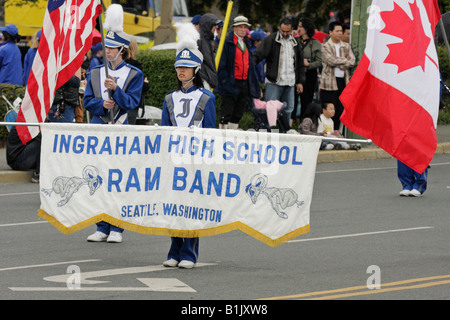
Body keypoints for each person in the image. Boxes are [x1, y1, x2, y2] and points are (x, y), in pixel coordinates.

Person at [84, 14, 144, 243]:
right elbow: (88, 101)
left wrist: (116, 91)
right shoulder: (96, 72)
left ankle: (117, 228)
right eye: (106, 48)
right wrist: (102, 104)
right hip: (99, 128)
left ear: (122, 50)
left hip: (121, 130)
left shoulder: (134, 74)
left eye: (112, 48)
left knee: (117, 180)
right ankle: (101, 226)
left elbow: (132, 103)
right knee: (98, 178)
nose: (107, 51)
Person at [161, 23, 216, 269]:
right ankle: (174, 250)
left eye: (185, 67)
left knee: (191, 207)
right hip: (174, 158)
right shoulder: (169, 98)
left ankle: (189, 253)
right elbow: (164, 130)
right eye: (178, 67)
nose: (180, 71)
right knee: (173, 205)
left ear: (195, 70)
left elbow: (212, 132)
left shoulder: (207, 98)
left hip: (196, 159)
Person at [253, 17, 306, 132]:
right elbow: (256, 55)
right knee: (270, 110)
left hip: (290, 82)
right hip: (274, 82)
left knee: (288, 110)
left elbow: (300, 64)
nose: (285, 33)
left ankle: (284, 134)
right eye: (282, 31)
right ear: (279, 28)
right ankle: (266, 134)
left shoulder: (295, 43)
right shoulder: (271, 39)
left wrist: (300, 81)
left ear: (292, 29)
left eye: (287, 31)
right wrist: (251, 70)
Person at [215, 15, 261, 130]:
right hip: (231, 82)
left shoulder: (247, 43)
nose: (243, 29)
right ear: (234, 28)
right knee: (227, 111)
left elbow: (251, 68)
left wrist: (255, 86)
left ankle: (233, 134)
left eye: (244, 27)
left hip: (244, 83)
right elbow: (222, 67)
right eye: (240, 26)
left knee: (238, 112)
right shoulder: (227, 43)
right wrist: (226, 83)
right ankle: (222, 135)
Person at [320, 21, 355, 133]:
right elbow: (330, 61)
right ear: (330, 32)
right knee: (328, 109)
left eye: (341, 31)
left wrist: (339, 62)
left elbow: (352, 61)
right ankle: (325, 133)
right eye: (337, 31)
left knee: (339, 110)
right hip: (329, 83)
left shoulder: (346, 46)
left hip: (343, 81)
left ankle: (336, 132)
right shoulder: (326, 46)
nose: (340, 33)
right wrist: (345, 61)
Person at [296, 18, 322, 121]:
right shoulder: (295, 41)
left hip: (310, 75)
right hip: (296, 74)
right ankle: (290, 125)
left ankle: (304, 123)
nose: (298, 29)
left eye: (300, 26)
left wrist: (308, 64)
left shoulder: (316, 44)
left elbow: (320, 61)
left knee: (306, 102)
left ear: (306, 28)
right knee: (292, 100)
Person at [126, 38, 149, 124]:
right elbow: (139, 86)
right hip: (132, 104)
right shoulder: (135, 66)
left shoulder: (118, 64)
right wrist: (146, 84)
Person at [197, 13, 221, 90]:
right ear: (208, 25)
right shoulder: (199, 41)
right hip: (203, 82)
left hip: (207, 81)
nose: (217, 27)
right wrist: (204, 81)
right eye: (214, 24)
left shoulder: (208, 41)